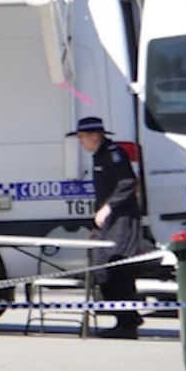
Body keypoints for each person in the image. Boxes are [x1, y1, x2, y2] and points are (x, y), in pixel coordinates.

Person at [67, 117, 144, 339]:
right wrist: (96, 224)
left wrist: (108, 208)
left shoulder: (114, 154)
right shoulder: (99, 156)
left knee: (118, 267)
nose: (81, 142)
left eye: (82, 137)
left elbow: (127, 183)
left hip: (122, 219)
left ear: (95, 135)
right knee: (101, 268)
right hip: (107, 222)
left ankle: (127, 323)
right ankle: (123, 315)